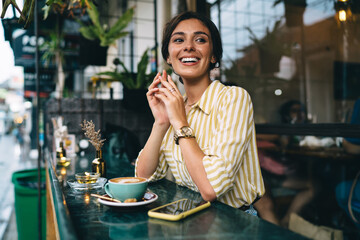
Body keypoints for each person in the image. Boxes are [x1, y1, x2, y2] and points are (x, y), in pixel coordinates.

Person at [135, 11, 264, 213]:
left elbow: (211, 189)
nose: (188, 46)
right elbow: (143, 176)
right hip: (191, 217)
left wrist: (179, 122)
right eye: (179, 40)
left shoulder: (233, 98)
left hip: (233, 221)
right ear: (168, 56)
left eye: (200, 39)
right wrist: (161, 123)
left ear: (213, 55)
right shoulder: (176, 106)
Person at [254, 100, 316, 227]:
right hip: (266, 175)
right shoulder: (275, 130)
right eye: (294, 111)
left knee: (315, 185)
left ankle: (286, 222)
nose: (299, 114)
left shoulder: (299, 130)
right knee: (266, 204)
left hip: (279, 174)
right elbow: (274, 136)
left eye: (301, 111)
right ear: (286, 114)